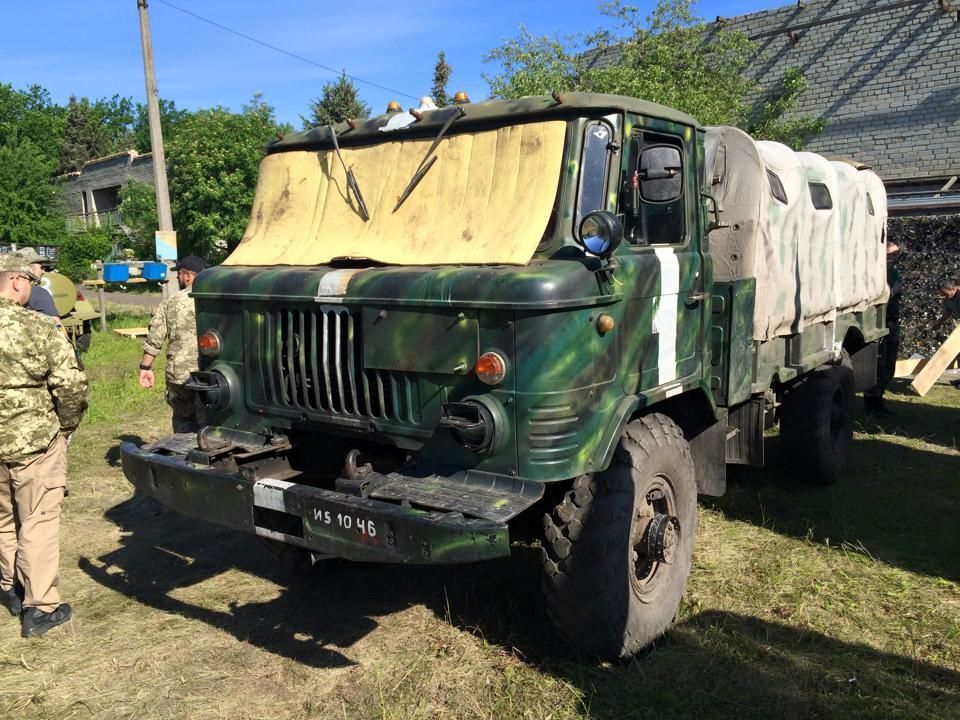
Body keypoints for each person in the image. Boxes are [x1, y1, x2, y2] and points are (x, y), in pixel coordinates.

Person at [0, 253, 88, 637]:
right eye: (32, 284)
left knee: (3, 519)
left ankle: (9, 587)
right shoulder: (36, 327)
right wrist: (65, 428)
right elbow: (70, 385)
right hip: (34, 442)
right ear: (18, 281)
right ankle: (40, 607)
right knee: (37, 520)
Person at [138, 255, 207, 433]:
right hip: (212, 374)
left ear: (188, 276)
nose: (177, 278)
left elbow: (155, 338)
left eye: (179, 274)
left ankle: (181, 456)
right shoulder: (217, 299)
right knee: (210, 422)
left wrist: (145, 368)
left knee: (183, 420)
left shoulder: (172, 302)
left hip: (180, 374)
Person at [864, 241, 904, 416]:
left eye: (896, 254)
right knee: (878, 364)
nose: (893, 258)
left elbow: (896, 291)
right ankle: (873, 404)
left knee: (889, 365)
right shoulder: (876, 273)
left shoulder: (893, 272)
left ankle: (879, 399)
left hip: (892, 321)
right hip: (879, 322)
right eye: (890, 255)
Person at [14, 247, 60, 322]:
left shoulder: (6, 289)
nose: (43, 272)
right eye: (41, 268)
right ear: (29, 269)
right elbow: (56, 325)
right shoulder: (39, 293)